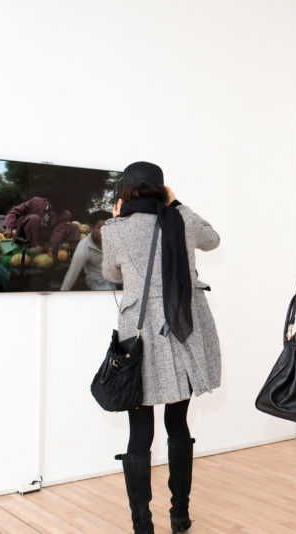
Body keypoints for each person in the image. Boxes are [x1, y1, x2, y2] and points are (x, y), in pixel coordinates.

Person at [101, 161, 221, 534]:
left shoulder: (115, 230)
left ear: (125, 190)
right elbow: (213, 238)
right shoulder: (179, 220)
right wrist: (177, 202)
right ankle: (179, 515)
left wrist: (119, 222)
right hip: (182, 327)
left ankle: (142, 525)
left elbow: (111, 274)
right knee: (177, 421)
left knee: (139, 429)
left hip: (140, 335)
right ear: (161, 188)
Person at [2, 196, 80, 255]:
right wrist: (9, 228)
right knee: (34, 218)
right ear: (50, 202)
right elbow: (14, 212)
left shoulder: (65, 214)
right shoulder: (35, 202)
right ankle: (30, 247)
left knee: (74, 226)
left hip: (44, 238)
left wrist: (51, 248)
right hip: (26, 234)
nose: (56, 211)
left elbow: (58, 231)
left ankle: (73, 252)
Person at [60, 211, 115, 291]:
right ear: (91, 227)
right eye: (100, 228)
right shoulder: (84, 247)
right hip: (97, 281)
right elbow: (72, 273)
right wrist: (62, 295)